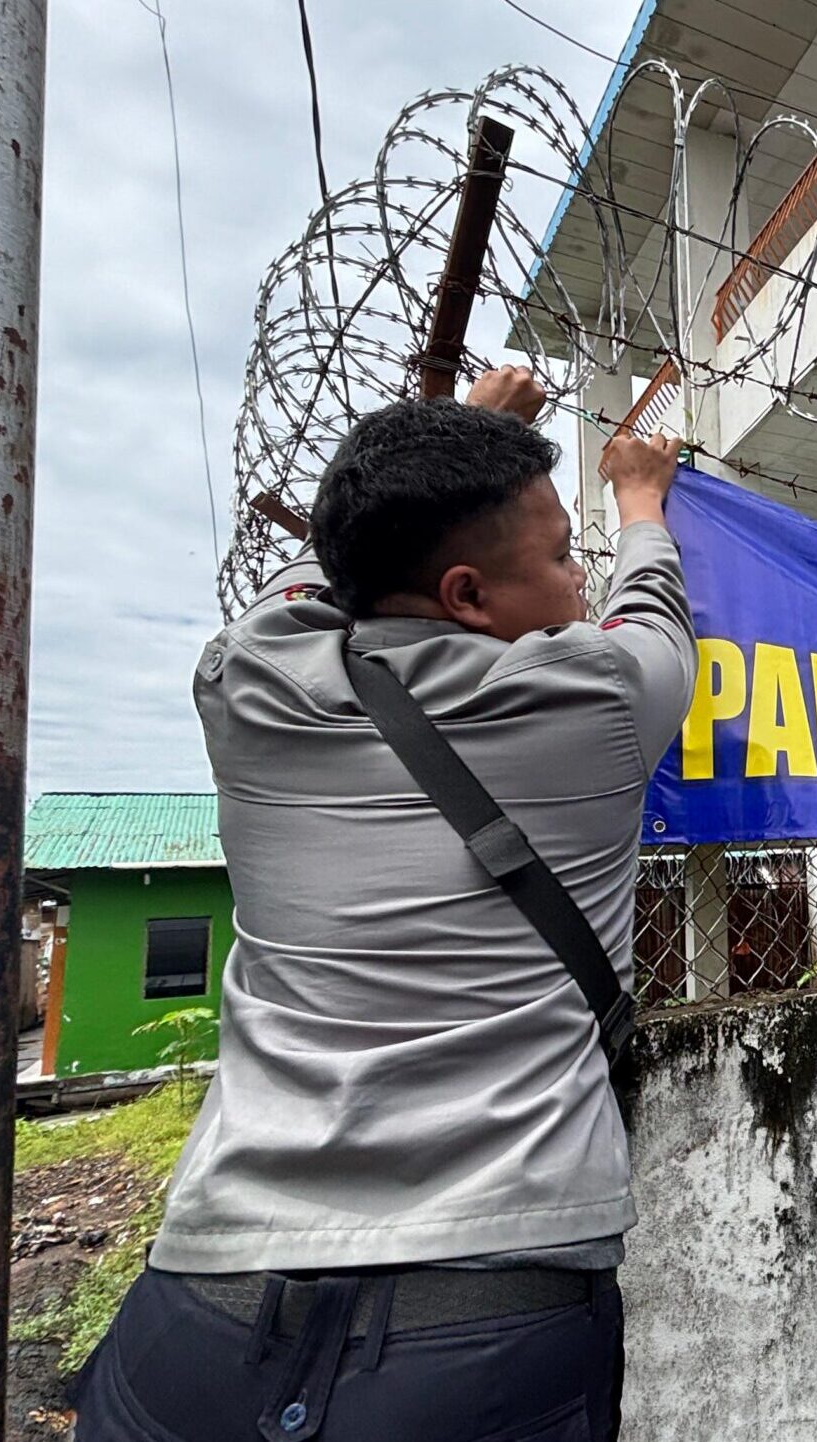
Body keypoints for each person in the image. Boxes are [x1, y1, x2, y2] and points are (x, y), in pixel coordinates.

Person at [72, 367, 690, 1442]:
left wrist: (452, 442)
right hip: (489, 1321)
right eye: (557, 556)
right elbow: (657, 610)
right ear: (465, 596)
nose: (581, 576)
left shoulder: (244, 685)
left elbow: (319, 578)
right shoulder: (593, 698)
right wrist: (641, 499)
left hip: (202, 1311)